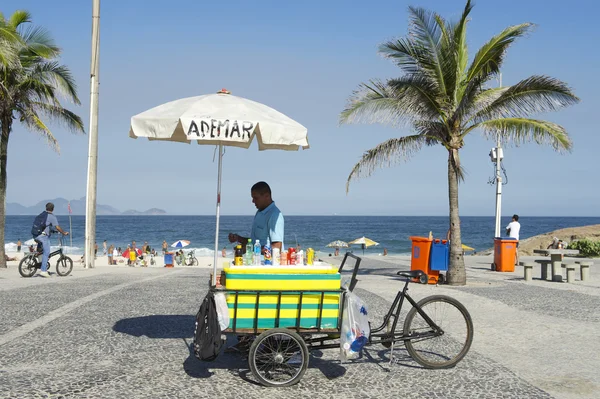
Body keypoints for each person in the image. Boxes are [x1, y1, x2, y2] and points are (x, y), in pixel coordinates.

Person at [228, 181, 284, 254]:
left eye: (256, 198)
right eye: (252, 198)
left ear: (267, 196)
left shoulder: (274, 215)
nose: (253, 201)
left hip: (267, 264)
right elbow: (255, 241)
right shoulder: (260, 212)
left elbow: (276, 247)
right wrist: (239, 239)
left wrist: (249, 249)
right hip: (256, 262)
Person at [33, 202, 69, 277]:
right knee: (47, 252)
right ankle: (43, 270)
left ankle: (39, 262)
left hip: (36, 235)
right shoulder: (51, 216)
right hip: (43, 237)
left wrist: (52, 231)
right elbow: (57, 227)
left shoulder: (42, 215)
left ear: (46, 208)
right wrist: (63, 232)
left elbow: (45, 226)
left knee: (42, 251)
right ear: (53, 209)